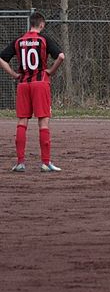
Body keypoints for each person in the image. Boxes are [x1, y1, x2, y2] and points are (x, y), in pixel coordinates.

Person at [0, 11, 66, 172]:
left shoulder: (19, 41)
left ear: (31, 24)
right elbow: (61, 57)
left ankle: (20, 163)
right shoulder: (44, 39)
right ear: (42, 24)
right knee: (43, 121)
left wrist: (14, 74)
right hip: (40, 83)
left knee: (22, 122)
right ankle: (45, 162)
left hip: (23, 84)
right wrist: (50, 71)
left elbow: (1, 58)